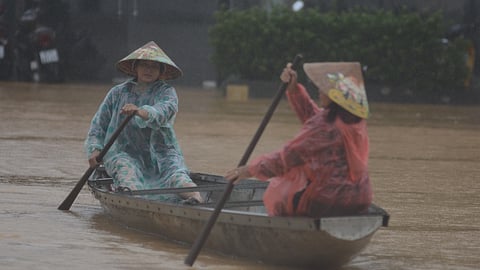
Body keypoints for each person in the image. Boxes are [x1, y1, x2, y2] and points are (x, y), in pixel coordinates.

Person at [225, 62, 372, 217]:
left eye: (325, 89)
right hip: (361, 197)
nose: (320, 91)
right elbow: (315, 119)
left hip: (328, 200)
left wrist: (249, 170)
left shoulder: (324, 126)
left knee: (281, 198)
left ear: (336, 95)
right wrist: (294, 90)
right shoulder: (354, 121)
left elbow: (287, 158)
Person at [84, 41, 202, 203]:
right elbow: (99, 125)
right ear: (135, 68)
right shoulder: (117, 93)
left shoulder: (166, 92)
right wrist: (95, 150)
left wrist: (140, 111)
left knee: (178, 177)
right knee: (127, 175)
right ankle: (135, 202)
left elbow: (164, 111)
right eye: (144, 65)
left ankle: (196, 200)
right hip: (124, 153)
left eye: (154, 66)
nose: (148, 70)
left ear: (161, 71)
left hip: (162, 153)